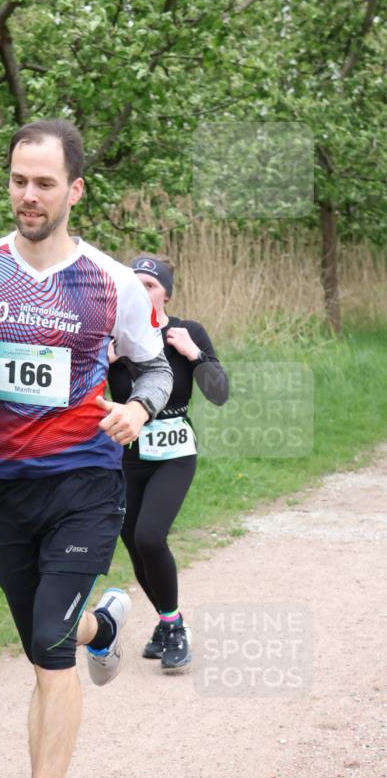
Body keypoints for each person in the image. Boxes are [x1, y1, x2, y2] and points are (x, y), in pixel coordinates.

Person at [0, 120, 172, 778]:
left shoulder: (112, 281)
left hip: (85, 483)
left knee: (47, 648)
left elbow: (153, 369)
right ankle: (105, 621)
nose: (28, 196)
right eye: (17, 181)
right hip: (1, 487)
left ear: (74, 189)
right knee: (48, 636)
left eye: (43, 183)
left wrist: (139, 409)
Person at [108, 255, 229, 671]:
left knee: (150, 537)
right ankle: (165, 621)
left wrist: (195, 355)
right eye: (135, 285)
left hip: (174, 454)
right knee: (134, 545)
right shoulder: (113, 337)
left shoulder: (187, 332)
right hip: (126, 454)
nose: (142, 292)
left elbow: (218, 393)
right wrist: (99, 363)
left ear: (166, 293)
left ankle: (175, 627)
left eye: (150, 285)